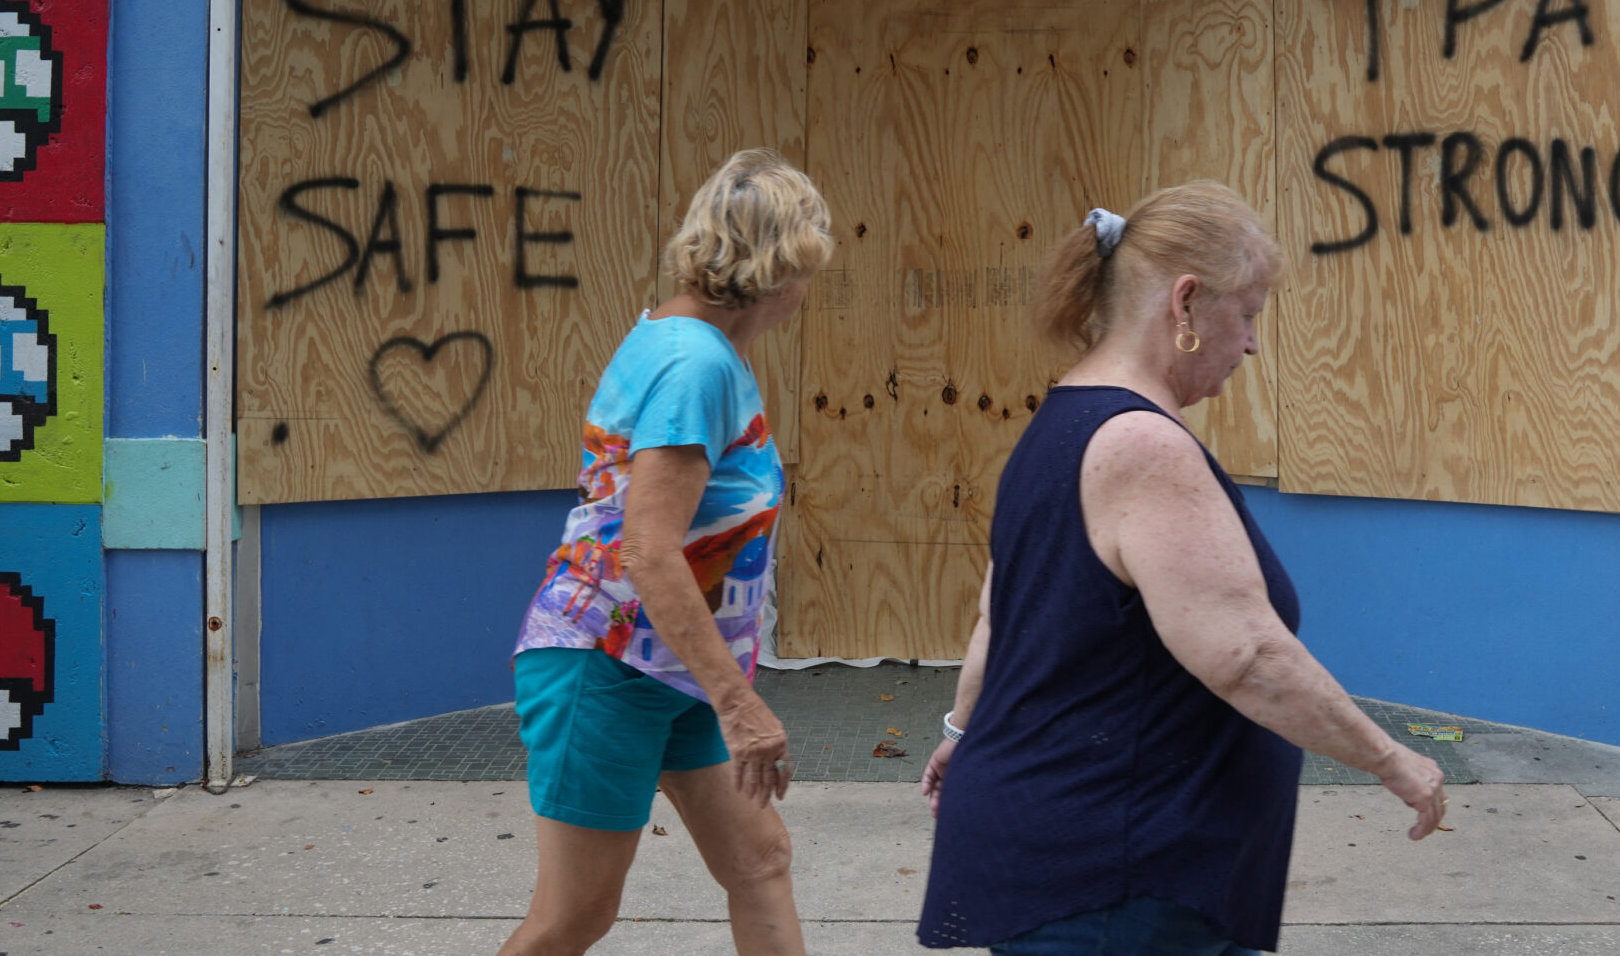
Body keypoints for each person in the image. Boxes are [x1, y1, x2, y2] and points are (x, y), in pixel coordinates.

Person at [916, 182, 1448, 956]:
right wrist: (1393, 759)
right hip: (1117, 883)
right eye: (1250, 313)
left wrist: (963, 732)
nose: (1253, 344)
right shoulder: (1143, 447)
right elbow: (1247, 655)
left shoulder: (1061, 420)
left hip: (1086, 869)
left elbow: (1001, 617)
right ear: (1186, 302)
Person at [498, 149, 832, 956]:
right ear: (783, 268)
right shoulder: (694, 364)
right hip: (606, 665)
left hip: (674, 670)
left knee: (759, 859)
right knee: (573, 915)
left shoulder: (699, 345)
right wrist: (740, 704)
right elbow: (647, 551)